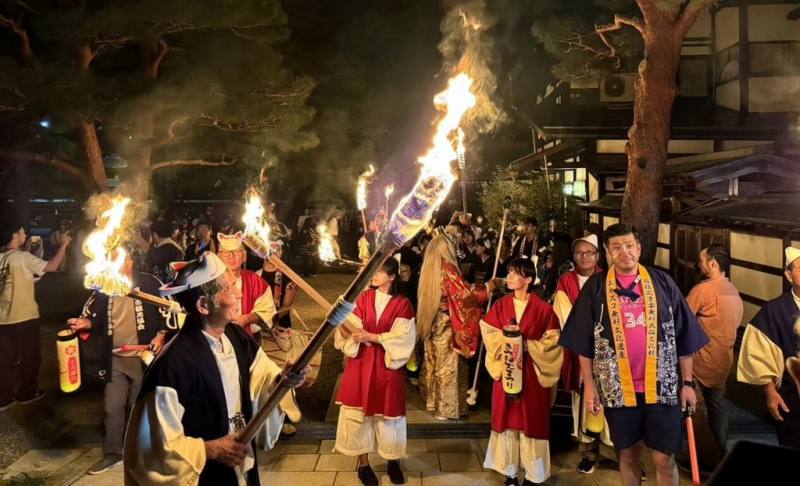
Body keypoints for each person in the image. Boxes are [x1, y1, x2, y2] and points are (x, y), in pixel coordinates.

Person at [123, 252, 310, 485]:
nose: (239, 294)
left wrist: (284, 379)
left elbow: (264, 377)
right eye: (229, 288)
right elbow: (152, 449)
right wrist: (209, 449)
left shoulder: (236, 336)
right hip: (205, 476)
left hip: (241, 463)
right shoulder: (172, 365)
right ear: (203, 305)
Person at [559, 223, 708, 486]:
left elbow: (684, 336)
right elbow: (584, 344)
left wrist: (687, 384)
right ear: (607, 252)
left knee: (664, 458)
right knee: (627, 455)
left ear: (639, 249)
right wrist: (590, 388)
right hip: (617, 388)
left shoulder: (663, 283)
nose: (624, 252)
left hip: (662, 387)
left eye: (629, 246)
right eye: (616, 247)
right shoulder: (595, 288)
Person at [67, 249, 171, 475]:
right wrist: (84, 322)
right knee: (112, 407)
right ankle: (113, 453)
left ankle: (143, 453)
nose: (114, 262)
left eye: (119, 258)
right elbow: (93, 315)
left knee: (139, 407)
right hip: (114, 357)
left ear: (131, 260)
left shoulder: (148, 282)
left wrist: (161, 334)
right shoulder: (105, 284)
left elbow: (169, 312)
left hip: (142, 357)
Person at [480, 257, 563, 485]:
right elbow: (488, 331)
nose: (509, 277)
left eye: (515, 274)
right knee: (507, 421)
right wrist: (509, 343)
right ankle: (510, 472)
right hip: (507, 370)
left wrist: (527, 345)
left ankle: (533, 474)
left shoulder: (544, 310)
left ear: (528, 279)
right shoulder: (500, 305)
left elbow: (553, 342)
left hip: (531, 373)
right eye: (509, 272)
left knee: (531, 423)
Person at [334, 257, 416, 486]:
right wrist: (342, 321)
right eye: (373, 271)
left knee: (389, 418)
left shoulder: (403, 304)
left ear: (392, 276)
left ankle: (392, 461)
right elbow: (348, 327)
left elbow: (404, 338)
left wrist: (374, 337)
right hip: (361, 363)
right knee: (359, 416)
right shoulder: (363, 298)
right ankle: (363, 464)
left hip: (387, 366)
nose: (374, 274)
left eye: (380, 271)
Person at [416, 233, 493, 420]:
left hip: (433, 320)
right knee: (447, 365)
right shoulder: (448, 268)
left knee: (433, 360)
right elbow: (465, 296)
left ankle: (432, 400)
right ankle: (446, 407)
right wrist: (487, 288)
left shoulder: (430, 268)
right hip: (447, 322)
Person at [0, 220, 71, 410]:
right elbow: (52, 266)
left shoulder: (3, 258)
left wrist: (36, 252)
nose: (25, 235)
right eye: (22, 232)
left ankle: (3, 397)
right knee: (30, 357)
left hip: (3, 318)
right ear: (14, 235)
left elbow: (30, 276)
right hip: (24, 317)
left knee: (4, 359)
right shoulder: (21, 257)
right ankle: (27, 392)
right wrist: (64, 245)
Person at [551, 234, 607, 474]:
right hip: (580, 351)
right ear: (574, 256)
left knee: (613, 403)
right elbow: (564, 315)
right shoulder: (565, 281)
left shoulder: (608, 278)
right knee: (585, 402)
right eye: (580, 253)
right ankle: (588, 452)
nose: (584, 257)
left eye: (589, 252)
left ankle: (625, 455)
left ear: (598, 256)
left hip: (608, 352)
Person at [685, 244, 742, 468]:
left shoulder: (703, 290)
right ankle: (722, 452)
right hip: (723, 360)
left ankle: (704, 460)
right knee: (717, 407)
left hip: (700, 361)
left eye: (701, 260)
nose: (698, 263)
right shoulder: (733, 290)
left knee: (694, 409)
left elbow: (684, 320)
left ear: (713, 264)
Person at [737, 246, 800, 448]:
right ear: (788, 276)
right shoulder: (774, 310)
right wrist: (770, 392)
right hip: (792, 399)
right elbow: (758, 354)